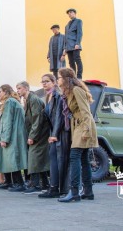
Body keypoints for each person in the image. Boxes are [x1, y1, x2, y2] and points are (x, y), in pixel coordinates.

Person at [57, 68, 98, 202]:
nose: (58, 80)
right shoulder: (69, 92)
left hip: (83, 125)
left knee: (74, 157)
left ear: (66, 78)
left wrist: (86, 131)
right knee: (84, 159)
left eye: (59, 77)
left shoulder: (76, 90)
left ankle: (74, 191)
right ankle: (88, 191)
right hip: (78, 125)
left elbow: (86, 111)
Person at [38, 74, 71, 199]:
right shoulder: (48, 97)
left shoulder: (58, 96)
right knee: (54, 161)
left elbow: (59, 116)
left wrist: (55, 135)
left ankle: (58, 189)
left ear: (53, 82)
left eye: (46, 81)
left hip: (61, 133)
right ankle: (54, 187)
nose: (44, 84)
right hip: (54, 133)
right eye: (42, 82)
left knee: (60, 161)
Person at [16, 81, 50, 194]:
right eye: (17, 88)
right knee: (39, 159)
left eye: (20, 88)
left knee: (33, 158)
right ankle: (45, 184)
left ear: (26, 88)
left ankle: (35, 185)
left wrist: (32, 136)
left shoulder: (33, 99)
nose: (18, 90)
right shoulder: (28, 100)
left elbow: (37, 119)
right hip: (38, 134)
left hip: (39, 134)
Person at [0, 84, 28, 191]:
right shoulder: (14, 102)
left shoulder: (9, 102)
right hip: (15, 135)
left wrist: (4, 139)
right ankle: (9, 182)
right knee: (8, 159)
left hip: (13, 136)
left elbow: (7, 122)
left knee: (12, 160)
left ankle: (20, 183)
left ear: (5, 92)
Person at [64, 8, 83, 79]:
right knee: (71, 62)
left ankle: (79, 76)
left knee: (77, 60)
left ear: (75, 13)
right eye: (68, 13)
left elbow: (79, 33)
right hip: (68, 47)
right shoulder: (67, 25)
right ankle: (73, 77)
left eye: (71, 12)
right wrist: (65, 48)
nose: (69, 14)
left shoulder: (78, 21)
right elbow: (65, 37)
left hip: (75, 45)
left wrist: (77, 43)